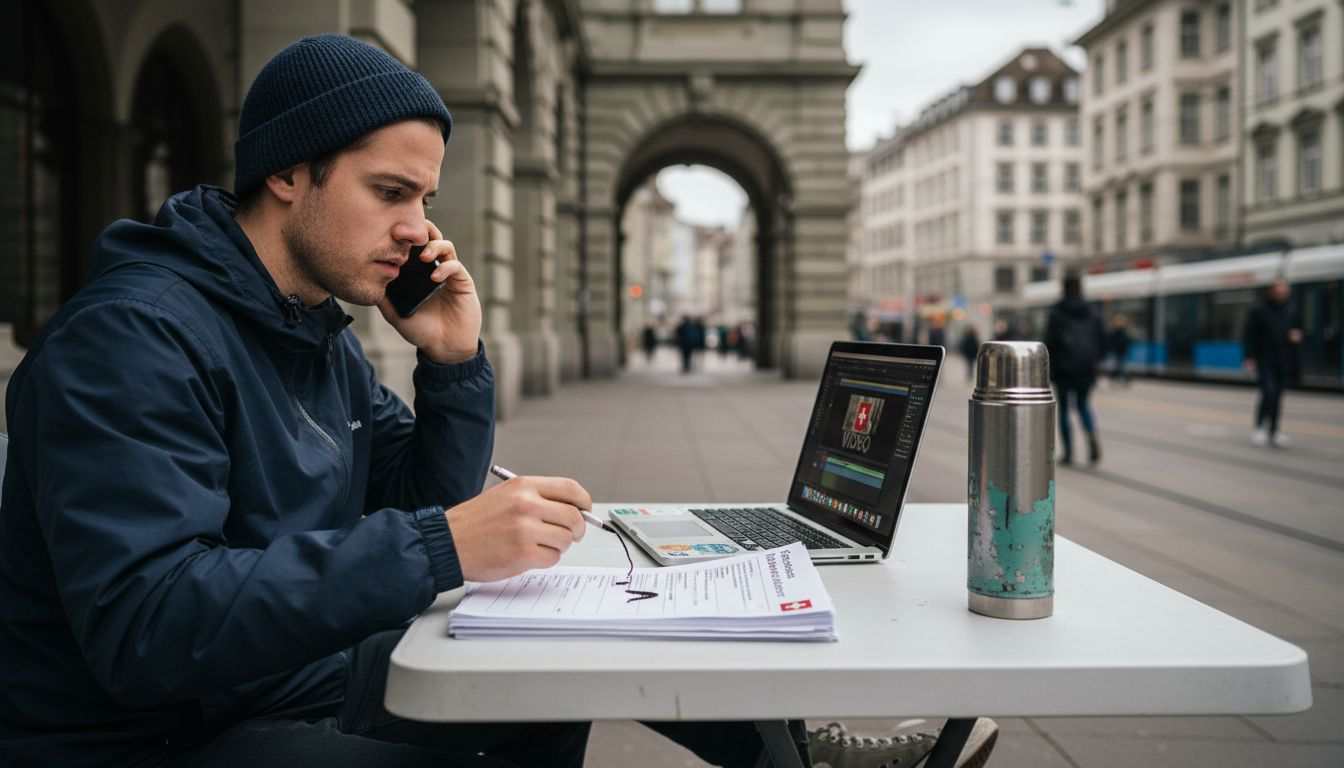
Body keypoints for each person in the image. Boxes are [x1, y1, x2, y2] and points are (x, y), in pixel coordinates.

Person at [0, 35, 994, 768]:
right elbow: (146, 623)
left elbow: (416, 495)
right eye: (391, 192)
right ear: (289, 171)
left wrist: (453, 365)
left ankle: (794, 755)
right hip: (151, 735)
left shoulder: (309, 328)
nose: (418, 231)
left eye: (425, 201)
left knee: (558, 665)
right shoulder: (133, 338)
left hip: (270, 678)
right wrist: (441, 546)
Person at [1044, 272, 1106, 466]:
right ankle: (1091, 434)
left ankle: (1069, 451)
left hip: (1063, 369)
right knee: (1083, 405)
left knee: (1063, 409)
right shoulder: (1093, 311)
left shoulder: (1057, 312)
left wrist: (1050, 368)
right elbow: (1102, 340)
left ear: (1064, 288)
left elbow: (1049, 343)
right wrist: (1095, 363)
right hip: (1086, 368)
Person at [1242, 278, 1302, 448]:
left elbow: (1298, 329)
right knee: (1268, 392)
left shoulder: (1292, 309)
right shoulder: (1259, 309)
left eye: (1283, 292)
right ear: (1271, 292)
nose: (1280, 295)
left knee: (1278, 396)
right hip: (1264, 358)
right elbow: (1249, 335)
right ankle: (1259, 427)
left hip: (1283, 359)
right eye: (1277, 292)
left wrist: (1296, 336)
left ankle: (1274, 431)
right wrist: (1249, 358)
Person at [1106, 314, 1132, 386]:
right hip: (1116, 351)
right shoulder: (1115, 331)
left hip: (1122, 351)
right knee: (1118, 366)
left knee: (1121, 366)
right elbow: (1110, 341)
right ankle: (1117, 379)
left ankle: (1124, 379)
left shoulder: (1123, 332)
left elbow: (1127, 341)